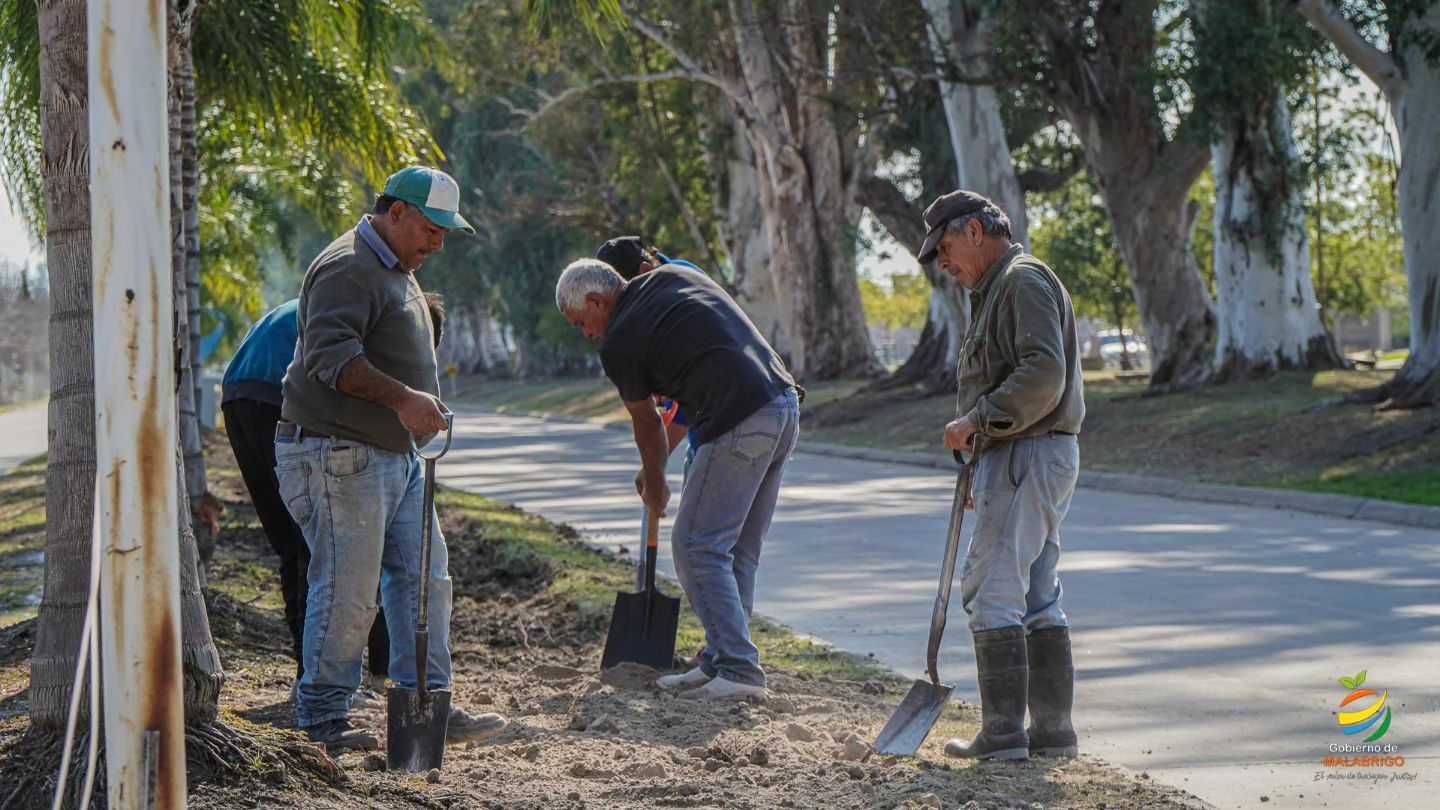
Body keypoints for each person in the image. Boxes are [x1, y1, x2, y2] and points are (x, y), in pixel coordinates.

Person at [275, 165, 504, 753]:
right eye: (431, 230)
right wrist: (404, 399)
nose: (438, 245)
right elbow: (331, 358)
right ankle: (322, 718)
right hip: (338, 453)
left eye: (445, 234)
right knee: (349, 588)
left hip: (391, 455)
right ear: (396, 212)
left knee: (425, 581)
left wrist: (416, 402)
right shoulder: (348, 267)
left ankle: (427, 702)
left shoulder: (395, 268)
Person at [555, 258, 799, 700]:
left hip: (740, 417)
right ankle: (720, 661)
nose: (586, 334)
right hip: (782, 407)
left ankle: (739, 670)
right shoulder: (673, 278)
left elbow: (647, 423)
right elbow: (701, 365)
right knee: (736, 551)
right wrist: (654, 471)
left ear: (597, 301)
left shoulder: (619, 341)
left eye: (580, 323)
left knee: (695, 544)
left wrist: (655, 483)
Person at [915, 190, 1085, 761]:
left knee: (992, 592)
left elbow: (1043, 374)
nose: (942, 262)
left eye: (944, 247)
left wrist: (976, 421)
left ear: (975, 232)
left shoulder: (1020, 280)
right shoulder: (999, 287)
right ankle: (1053, 733)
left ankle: (1004, 735)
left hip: (1026, 452)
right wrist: (982, 459)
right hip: (1024, 455)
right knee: (1036, 595)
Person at [222, 293, 448, 707]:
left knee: (296, 544)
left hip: (239, 389)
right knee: (338, 541)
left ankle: (310, 678)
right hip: (283, 398)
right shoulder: (390, 322)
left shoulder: (360, 301)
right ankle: (325, 683)